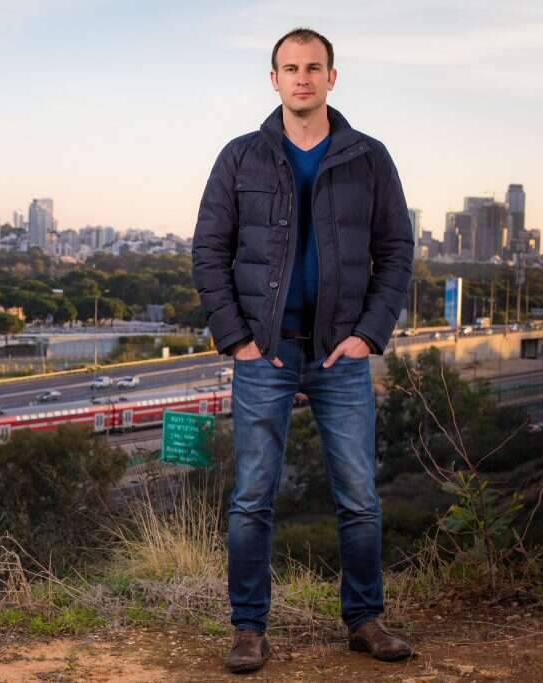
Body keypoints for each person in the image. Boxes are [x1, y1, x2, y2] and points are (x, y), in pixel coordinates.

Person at [191, 27, 414, 674]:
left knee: (359, 497)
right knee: (252, 496)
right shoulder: (241, 158)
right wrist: (237, 338)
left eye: (314, 68)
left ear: (332, 78)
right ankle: (248, 628)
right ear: (274, 80)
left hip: (340, 356)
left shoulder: (369, 158)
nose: (302, 78)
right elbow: (208, 251)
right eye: (290, 68)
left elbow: (397, 251)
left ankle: (366, 618)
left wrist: (368, 335)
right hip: (267, 353)